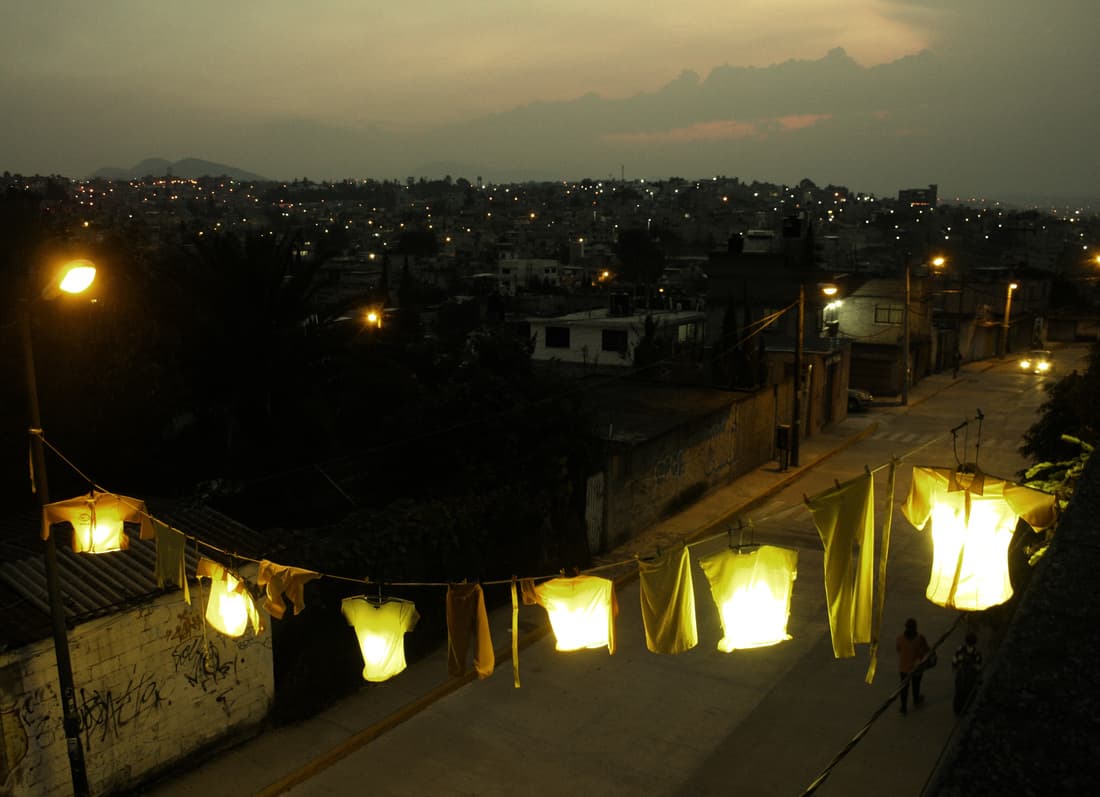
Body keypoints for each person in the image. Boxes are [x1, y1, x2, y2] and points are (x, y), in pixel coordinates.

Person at [896, 617, 931, 715]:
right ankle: (916, 701)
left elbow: (898, 649)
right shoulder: (920, 638)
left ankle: (904, 707)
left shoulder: (900, 638)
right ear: (916, 627)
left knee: (904, 689)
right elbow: (927, 649)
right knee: (916, 686)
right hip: (917, 668)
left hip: (904, 668)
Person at [952, 632, 983, 714]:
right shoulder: (977, 653)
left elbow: (955, 659)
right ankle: (965, 708)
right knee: (968, 693)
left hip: (962, 674)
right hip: (970, 676)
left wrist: (955, 666)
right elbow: (978, 667)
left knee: (959, 691)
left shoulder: (960, 649)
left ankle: (958, 709)